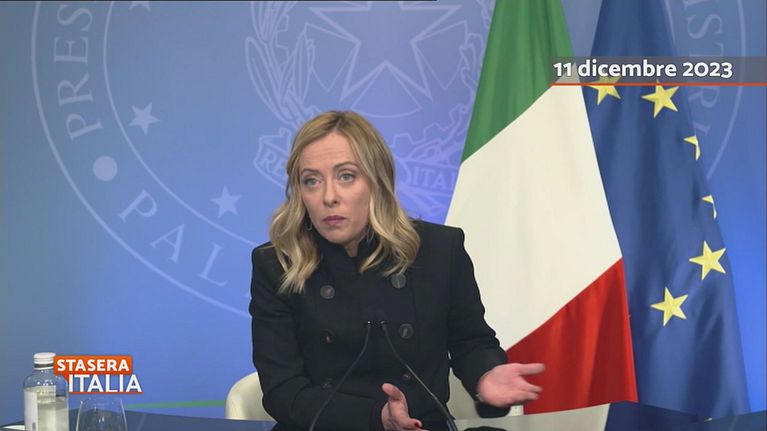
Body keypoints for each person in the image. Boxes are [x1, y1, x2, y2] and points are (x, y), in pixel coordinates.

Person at [250, 111, 544, 431]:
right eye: (311, 181)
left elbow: (471, 342)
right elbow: (283, 390)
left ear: (377, 180)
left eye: (346, 176)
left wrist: (484, 375)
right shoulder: (276, 264)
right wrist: (376, 418)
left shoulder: (440, 250)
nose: (329, 197)